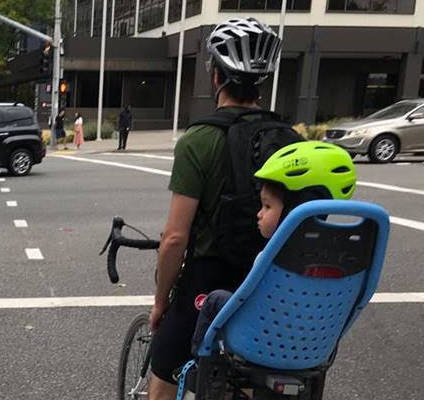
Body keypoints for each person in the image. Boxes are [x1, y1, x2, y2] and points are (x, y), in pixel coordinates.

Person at [148, 18, 285, 400]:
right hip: (266, 282)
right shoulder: (288, 139)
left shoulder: (200, 139)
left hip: (209, 280)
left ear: (216, 76)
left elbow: (176, 237)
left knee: (165, 363)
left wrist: (161, 303)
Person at [190, 141, 357, 357]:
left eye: (267, 206)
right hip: (313, 347)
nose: (259, 213)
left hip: (260, 339)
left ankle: (199, 362)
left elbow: (248, 300)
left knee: (215, 299)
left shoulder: (273, 257)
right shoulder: (342, 257)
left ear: (292, 211)